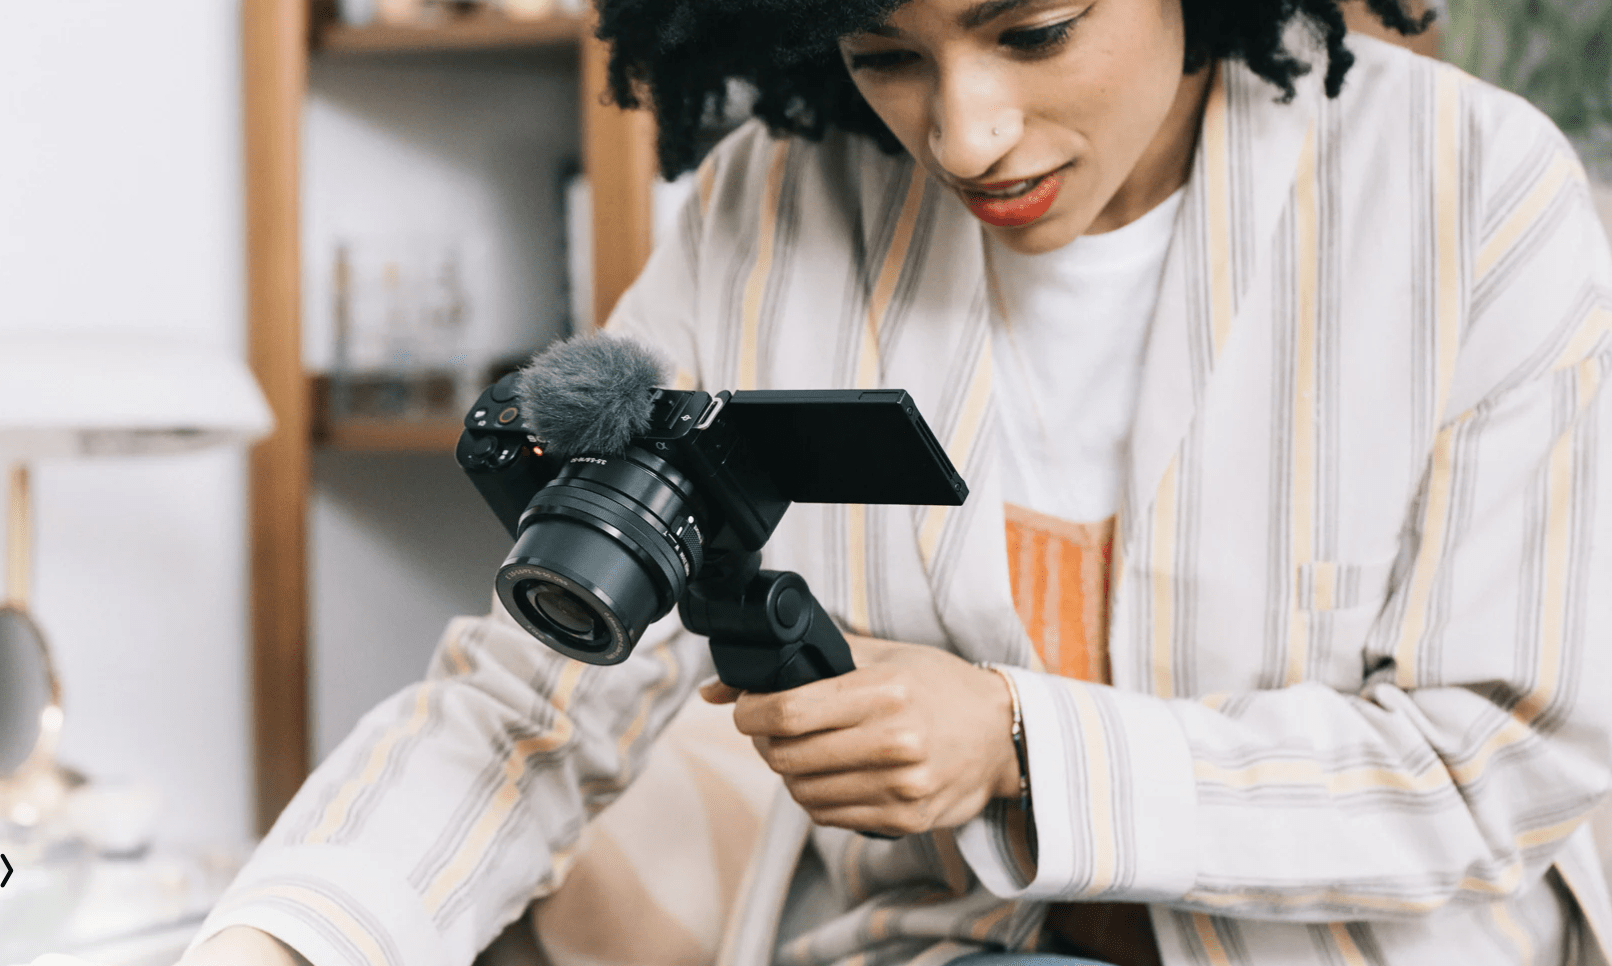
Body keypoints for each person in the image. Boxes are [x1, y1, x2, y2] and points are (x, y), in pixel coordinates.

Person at [183, 0, 1612, 964]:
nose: (966, 133)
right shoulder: (781, 203)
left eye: (1033, 31)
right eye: (887, 51)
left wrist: (1017, 744)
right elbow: (528, 709)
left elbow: (1494, 758)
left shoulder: (1470, 196)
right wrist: (288, 935)